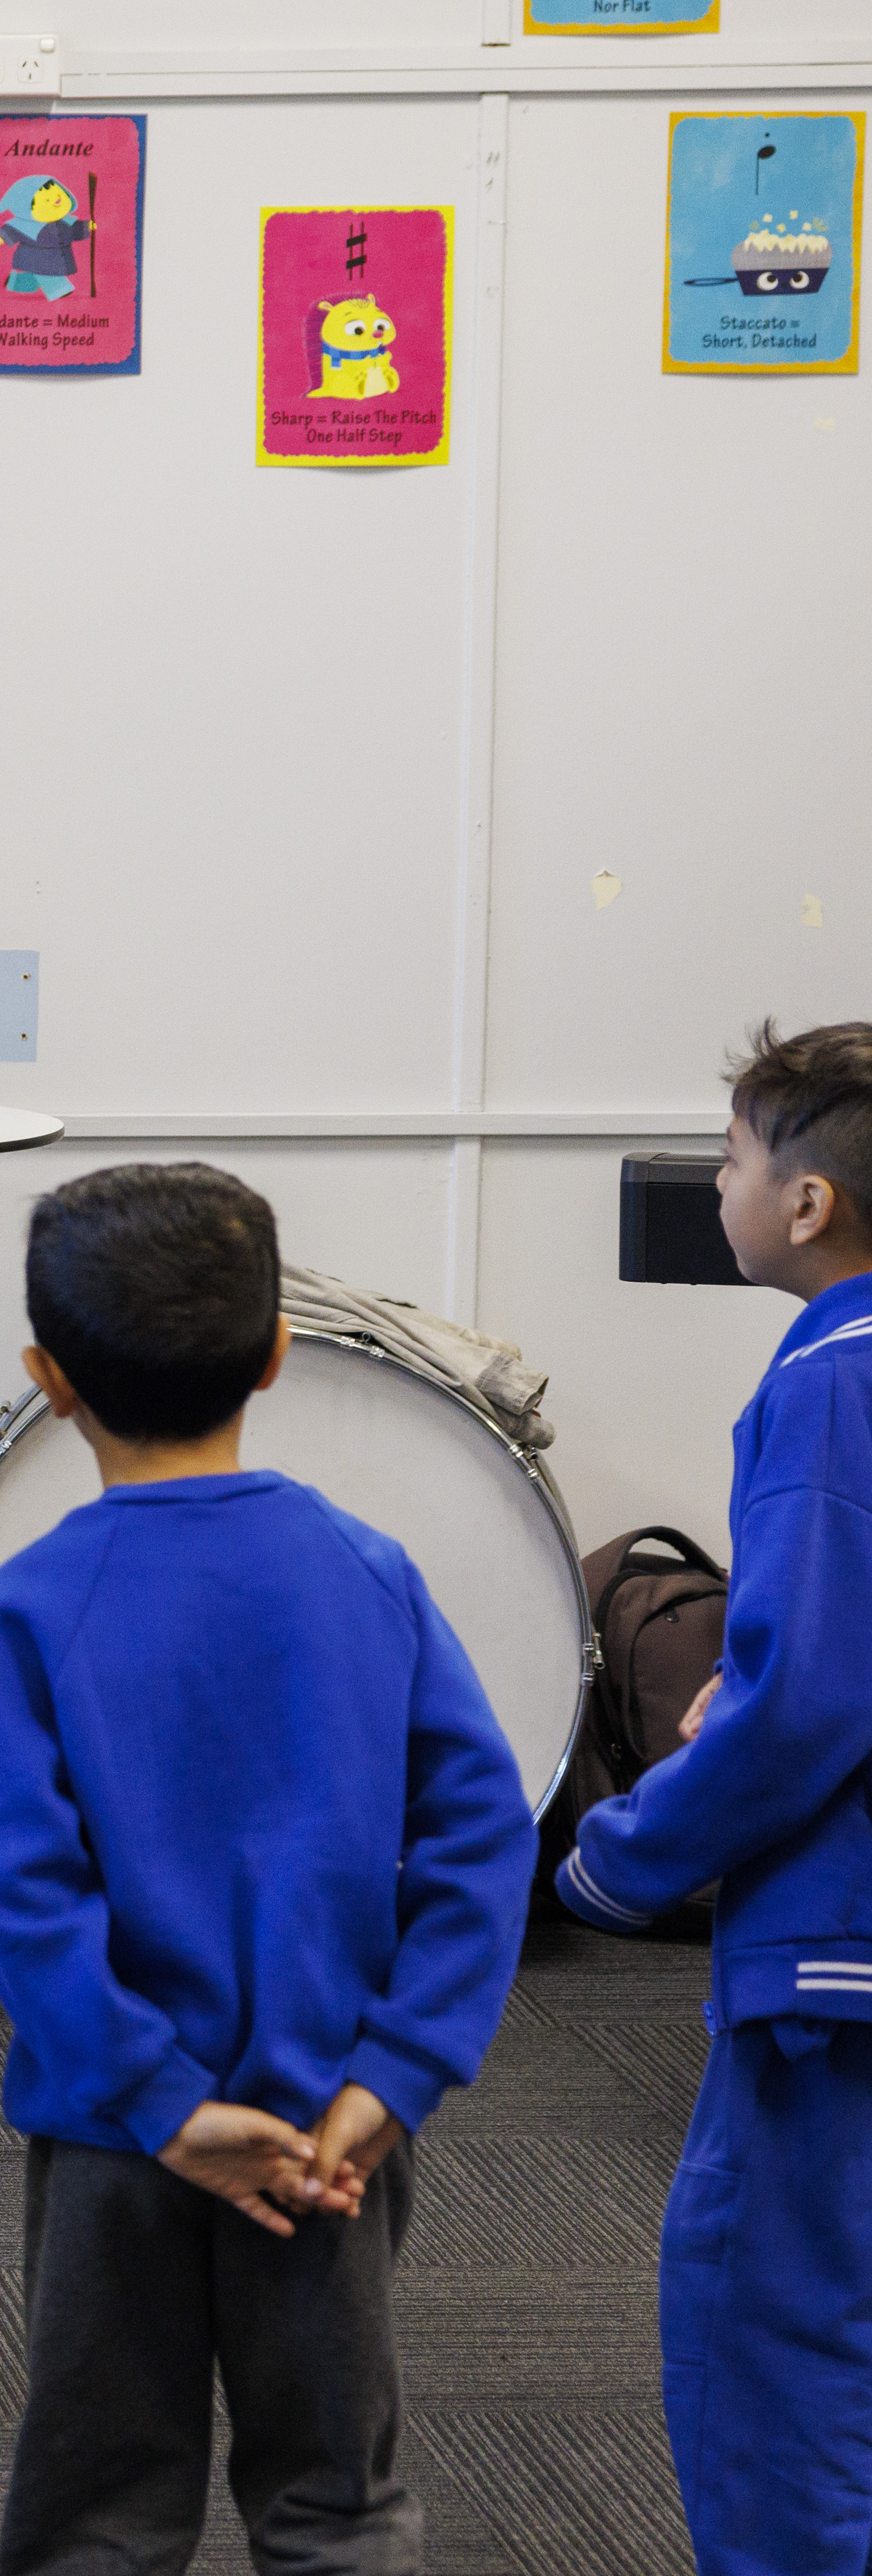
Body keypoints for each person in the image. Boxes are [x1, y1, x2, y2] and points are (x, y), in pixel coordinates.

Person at [0, 1163, 533, 2576]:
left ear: (47, 1379)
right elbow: (482, 1834)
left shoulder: (34, 1605)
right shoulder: (368, 1569)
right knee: (337, 2503)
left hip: (119, 2143)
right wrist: (395, 2075)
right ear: (279, 1352)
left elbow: (25, 1905)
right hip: (328, 2134)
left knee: (99, 2509)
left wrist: (158, 2104)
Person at [553, 1020, 872, 2576]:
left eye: (734, 1158)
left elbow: (807, 1701)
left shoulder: (824, 1380)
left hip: (835, 1950)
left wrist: (617, 1853)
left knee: (770, 2328)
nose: (719, 1185)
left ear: (804, 1205)